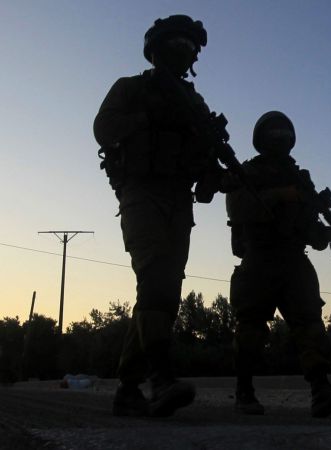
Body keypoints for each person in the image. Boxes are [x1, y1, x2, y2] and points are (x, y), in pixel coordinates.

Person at [93, 15, 224, 417]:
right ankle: (161, 379)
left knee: (164, 292)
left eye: (191, 46)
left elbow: (207, 156)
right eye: (178, 43)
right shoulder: (131, 88)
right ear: (157, 48)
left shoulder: (194, 102)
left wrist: (213, 174)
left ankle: (128, 388)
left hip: (179, 199)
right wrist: (148, 116)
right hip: (141, 193)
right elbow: (103, 128)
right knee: (154, 281)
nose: (185, 52)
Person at [225, 111, 331, 418]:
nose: (279, 138)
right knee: (251, 327)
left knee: (310, 323)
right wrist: (282, 195)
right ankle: (244, 392)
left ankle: (321, 390)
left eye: (283, 133)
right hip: (259, 257)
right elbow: (238, 207)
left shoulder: (300, 178)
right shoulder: (248, 172)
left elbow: (311, 231)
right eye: (274, 133)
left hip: (294, 259)